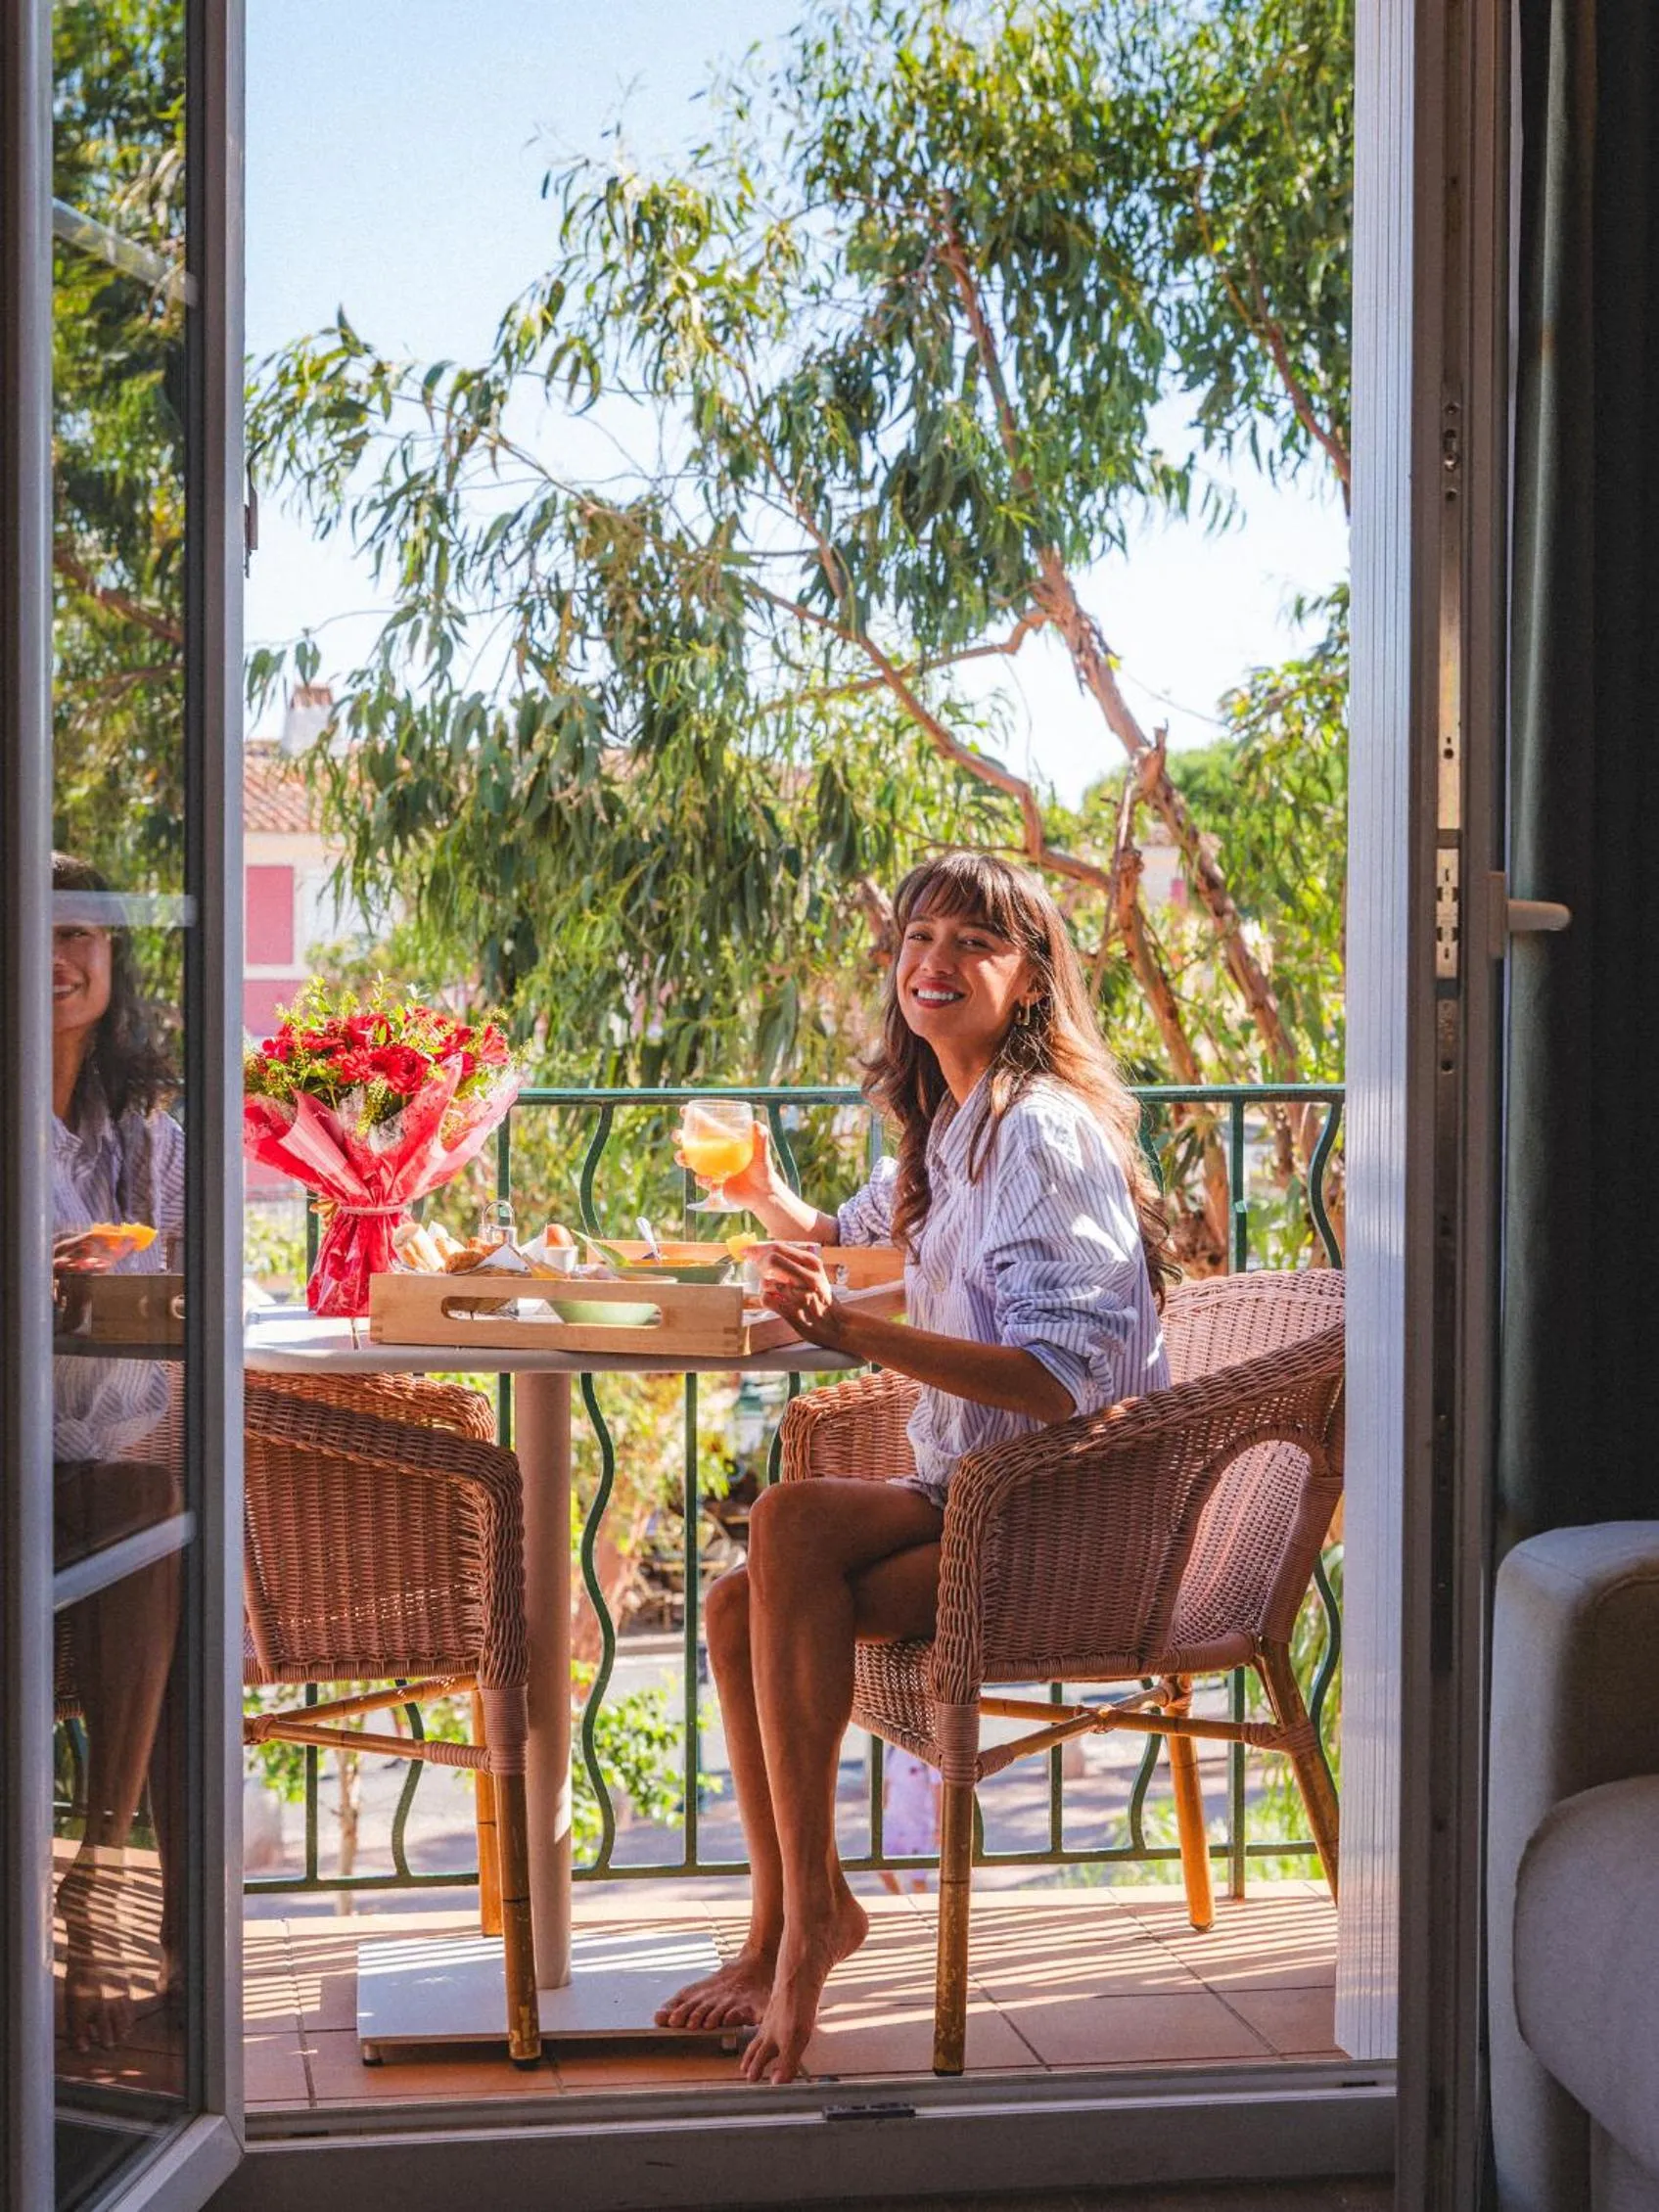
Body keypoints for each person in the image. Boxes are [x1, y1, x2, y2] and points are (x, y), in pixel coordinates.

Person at [657, 852, 1174, 2083]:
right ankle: (793, 1919)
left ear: (1033, 981)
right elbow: (852, 1237)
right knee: (741, 1597)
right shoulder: (959, 1120)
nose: (933, 962)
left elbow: (1067, 1377)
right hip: (979, 1495)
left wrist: (855, 1334)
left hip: (1071, 1510)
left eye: (972, 944)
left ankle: (798, 1937)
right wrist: (761, 1192)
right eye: (918, 937)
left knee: (779, 1532)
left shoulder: (1040, 1133)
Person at [50, 852, 187, 2059]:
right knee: (157, 1510)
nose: (59, 960)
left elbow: (204, 1313)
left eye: (83, 936)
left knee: (159, 1505)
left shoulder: (153, 1142)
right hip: (22, 1478)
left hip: (117, 1475)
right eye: (35, 934)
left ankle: (116, 1884)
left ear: (113, 962)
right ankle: (106, 1873)